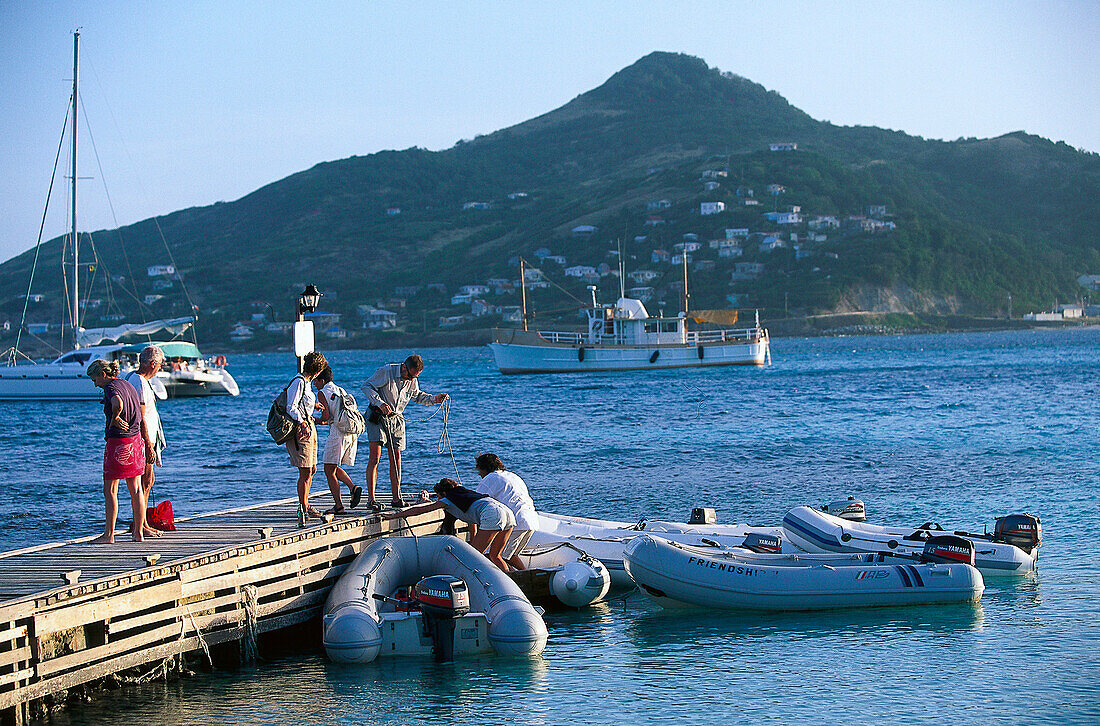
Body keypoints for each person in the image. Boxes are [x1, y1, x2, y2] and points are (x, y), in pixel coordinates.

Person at [361, 354, 448, 511]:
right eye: (410, 376)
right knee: (375, 457)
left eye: (414, 377)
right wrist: (380, 403)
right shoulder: (386, 371)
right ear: (404, 367)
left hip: (397, 419)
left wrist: (435, 399)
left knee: (396, 458)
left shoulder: (412, 379)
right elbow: (366, 386)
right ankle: (371, 499)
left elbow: (417, 396)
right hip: (377, 416)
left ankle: (396, 498)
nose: (410, 380)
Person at [385, 478, 515, 571]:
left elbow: (421, 510)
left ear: (443, 493)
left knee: (472, 558)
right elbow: (472, 523)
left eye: (438, 497)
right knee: (495, 555)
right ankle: (511, 581)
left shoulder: (448, 499)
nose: (438, 500)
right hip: (505, 511)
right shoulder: (464, 495)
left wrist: (393, 515)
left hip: (492, 513)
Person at [87, 359, 148, 543]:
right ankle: (138, 533)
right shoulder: (127, 384)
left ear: (103, 375)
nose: (95, 383)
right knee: (136, 489)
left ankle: (109, 535)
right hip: (136, 440)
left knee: (110, 490)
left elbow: (117, 402)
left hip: (119, 442)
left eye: (94, 379)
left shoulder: (111, 388)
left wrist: (115, 417)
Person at [124, 345, 166, 536]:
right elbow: (139, 416)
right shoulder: (139, 382)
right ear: (152, 364)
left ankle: (141, 523)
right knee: (144, 481)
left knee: (148, 481)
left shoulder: (136, 379)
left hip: (145, 437)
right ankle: (139, 526)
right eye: (159, 365)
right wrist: (148, 443)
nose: (160, 368)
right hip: (143, 438)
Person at [474, 453, 537, 571]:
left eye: (479, 469)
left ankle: (515, 582)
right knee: (510, 556)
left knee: (494, 556)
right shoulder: (513, 476)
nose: (478, 473)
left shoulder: (489, 479)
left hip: (516, 522)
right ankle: (525, 576)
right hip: (531, 520)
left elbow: (476, 503)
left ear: (484, 468)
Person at [314, 365, 363, 515]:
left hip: (337, 432)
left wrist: (313, 420)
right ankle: (352, 488)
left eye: (315, 380)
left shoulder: (322, 393)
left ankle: (339, 505)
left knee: (328, 470)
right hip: (350, 432)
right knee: (332, 467)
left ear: (322, 380)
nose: (314, 384)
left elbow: (326, 417)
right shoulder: (340, 389)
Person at [286, 351, 327, 526]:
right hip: (301, 430)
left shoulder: (307, 384)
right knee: (305, 470)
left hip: (309, 426)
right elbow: (291, 407)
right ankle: (302, 507)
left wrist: (313, 405)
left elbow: (303, 403)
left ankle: (306, 504)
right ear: (317, 370)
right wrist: (302, 421)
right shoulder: (299, 382)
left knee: (311, 469)